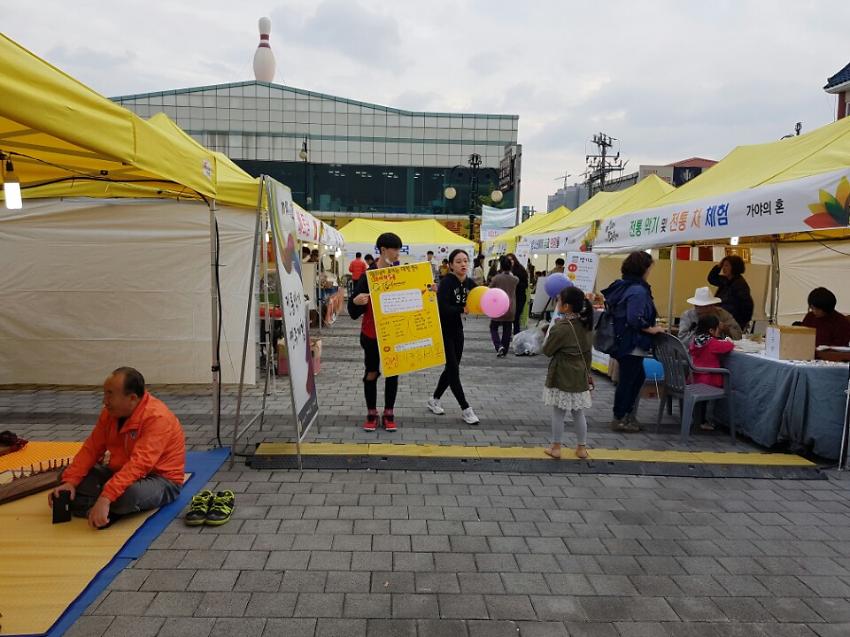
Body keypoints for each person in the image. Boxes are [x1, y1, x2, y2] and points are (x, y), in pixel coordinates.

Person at [49, 367, 186, 529]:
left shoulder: (157, 418)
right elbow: (91, 449)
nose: (104, 400)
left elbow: (140, 464)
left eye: (110, 394)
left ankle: (91, 506)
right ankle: (102, 510)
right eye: (105, 393)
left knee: (128, 496)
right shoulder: (110, 413)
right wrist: (70, 482)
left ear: (132, 398)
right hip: (120, 473)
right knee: (66, 478)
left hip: (160, 479)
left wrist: (106, 496)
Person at [601, 251, 665, 433]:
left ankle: (626, 415)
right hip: (632, 343)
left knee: (636, 378)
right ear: (643, 268)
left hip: (624, 341)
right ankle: (620, 417)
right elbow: (635, 318)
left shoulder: (625, 285)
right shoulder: (638, 290)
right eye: (649, 267)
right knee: (629, 381)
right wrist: (652, 329)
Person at [348, 233, 403, 432]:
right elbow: (353, 311)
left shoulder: (402, 273)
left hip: (395, 333)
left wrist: (428, 291)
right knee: (371, 373)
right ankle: (372, 412)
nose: (397, 253)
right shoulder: (367, 276)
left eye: (398, 249)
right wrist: (355, 302)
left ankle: (389, 412)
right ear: (382, 250)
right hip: (371, 335)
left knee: (393, 373)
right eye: (394, 249)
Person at [427, 249, 480, 424]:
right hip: (442, 330)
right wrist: (462, 309)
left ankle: (434, 400)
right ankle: (466, 408)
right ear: (450, 265)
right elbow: (443, 308)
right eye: (458, 261)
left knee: (451, 368)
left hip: (458, 330)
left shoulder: (470, 283)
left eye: (465, 261)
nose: (463, 264)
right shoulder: (447, 283)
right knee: (453, 370)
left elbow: (480, 298)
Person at [542, 286, 594, 460]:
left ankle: (556, 447)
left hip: (562, 372)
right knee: (578, 413)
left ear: (566, 307)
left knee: (559, 412)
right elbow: (587, 352)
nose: (557, 303)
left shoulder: (561, 327)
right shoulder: (586, 325)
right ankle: (582, 448)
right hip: (580, 372)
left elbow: (547, 351)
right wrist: (588, 373)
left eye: (559, 301)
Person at [689, 314, 735, 431]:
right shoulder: (711, 343)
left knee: (700, 403)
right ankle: (704, 421)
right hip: (709, 380)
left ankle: (698, 420)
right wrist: (728, 340)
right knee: (705, 402)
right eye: (718, 330)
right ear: (711, 330)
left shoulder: (695, 341)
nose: (718, 332)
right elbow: (728, 346)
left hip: (695, 379)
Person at [677, 287, 742, 346]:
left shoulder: (722, 314)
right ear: (695, 306)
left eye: (708, 306)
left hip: (721, 353)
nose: (707, 309)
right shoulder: (688, 316)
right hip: (694, 355)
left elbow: (738, 336)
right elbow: (683, 340)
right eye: (701, 306)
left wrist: (726, 330)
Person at [707, 255, 754, 330]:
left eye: (727, 265)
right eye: (723, 265)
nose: (723, 268)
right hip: (722, 318)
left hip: (732, 321)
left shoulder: (740, 284)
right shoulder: (726, 280)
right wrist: (718, 266)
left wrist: (740, 324)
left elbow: (747, 305)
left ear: (734, 267)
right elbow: (711, 278)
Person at [488, 256, 518, 357]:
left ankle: (498, 345)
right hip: (510, 307)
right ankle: (504, 350)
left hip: (498, 306)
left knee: (493, 327)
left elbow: (490, 289)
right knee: (507, 328)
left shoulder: (496, 278)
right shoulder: (515, 279)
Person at [507, 253, 529, 335]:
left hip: (519, 297)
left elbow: (525, 285)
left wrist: (515, 281)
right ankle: (508, 335)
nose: (510, 261)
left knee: (516, 317)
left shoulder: (520, 269)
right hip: (508, 298)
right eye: (508, 260)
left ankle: (516, 334)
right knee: (509, 319)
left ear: (515, 260)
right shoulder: (505, 270)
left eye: (511, 259)